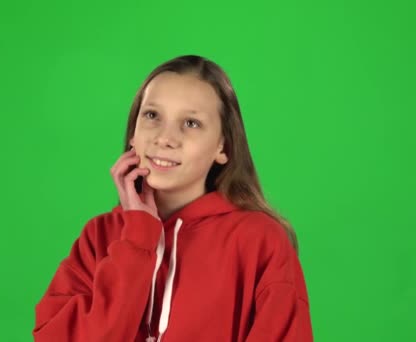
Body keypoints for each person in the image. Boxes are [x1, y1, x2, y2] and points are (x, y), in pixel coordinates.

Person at [32, 55, 313, 341]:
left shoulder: (261, 241)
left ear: (223, 147)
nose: (165, 138)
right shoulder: (99, 236)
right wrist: (138, 238)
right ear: (133, 134)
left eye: (191, 123)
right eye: (152, 116)